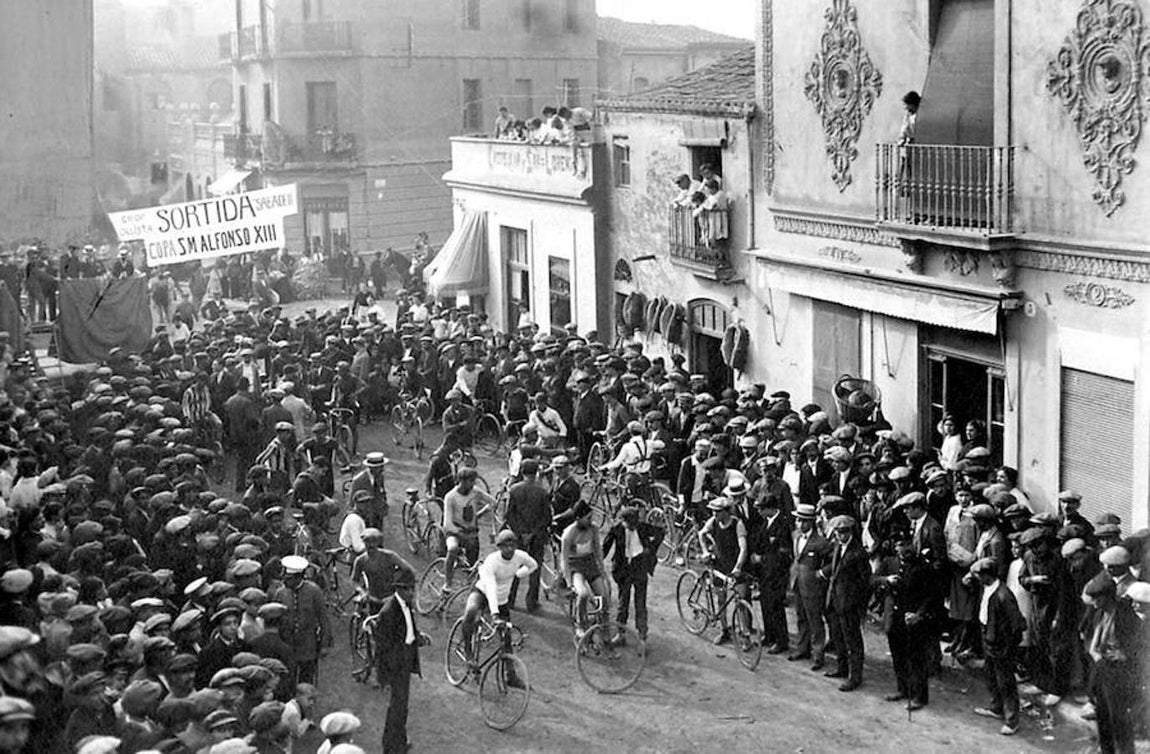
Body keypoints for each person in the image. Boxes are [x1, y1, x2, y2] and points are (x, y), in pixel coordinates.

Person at [371, 573, 429, 754]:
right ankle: (390, 747)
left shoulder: (406, 604)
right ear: (398, 589)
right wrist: (384, 677)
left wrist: (418, 637)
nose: (411, 592)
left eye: (412, 588)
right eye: (407, 589)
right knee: (396, 708)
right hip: (395, 664)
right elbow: (382, 648)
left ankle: (400, 741)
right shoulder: (388, 612)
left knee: (402, 706)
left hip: (406, 657)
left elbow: (408, 626)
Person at [971, 556, 1024, 736]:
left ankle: (1012, 721)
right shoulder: (986, 588)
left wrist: (1009, 648)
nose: (977, 578)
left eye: (979, 575)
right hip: (988, 638)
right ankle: (996, 708)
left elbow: (1017, 625)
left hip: (1001, 645)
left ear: (988, 575)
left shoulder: (1004, 595)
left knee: (1006, 682)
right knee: (991, 675)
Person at [461, 530, 537, 652]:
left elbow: (533, 565)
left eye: (512, 546)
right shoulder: (492, 561)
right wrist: (495, 614)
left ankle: (508, 661)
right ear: (500, 547)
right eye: (506, 546)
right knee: (471, 612)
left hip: (502, 599)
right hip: (482, 593)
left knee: (506, 637)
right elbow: (491, 588)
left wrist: (519, 574)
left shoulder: (520, 556)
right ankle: (468, 650)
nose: (510, 549)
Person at [824, 514, 871, 692]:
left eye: (844, 532)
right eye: (838, 532)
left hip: (850, 603)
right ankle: (842, 668)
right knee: (838, 637)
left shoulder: (858, 553)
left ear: (850, 532)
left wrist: (857, 603)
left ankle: (855, 677)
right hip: (836, 599)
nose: (840, 535)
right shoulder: (838, 546)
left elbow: (864, 580)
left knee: (853, 641)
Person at [602, 506, 663, 641]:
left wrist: (651, 549)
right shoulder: (616, 530)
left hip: (639, 566)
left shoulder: (642, 527)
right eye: (630, 524)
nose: (633, 527)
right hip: (623, 569)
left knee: (640, 603)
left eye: (635, 524)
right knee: (623, 602)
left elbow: (660, 533)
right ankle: (620, 633)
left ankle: (642, 634)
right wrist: (597, 563)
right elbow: (605, 548)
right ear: (623, 521)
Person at [270, 555, 330, 686]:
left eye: (289, 578)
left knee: (306, 680)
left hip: (308, 646)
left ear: (298, 577)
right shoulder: (280, 593)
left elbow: (323, 619)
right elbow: (275, 620)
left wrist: (324, 645)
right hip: (287, 646)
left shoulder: (314, 591)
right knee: (287, 680)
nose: (285, 581)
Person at [697, 497, 747, 645]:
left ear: (726, 512)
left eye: (718, 511)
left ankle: (745, 635)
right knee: (721, 599)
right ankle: (724, 630)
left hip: (735, 566)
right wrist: (705, 551)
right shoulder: (713, 522)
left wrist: (738, 567)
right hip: (720, 565)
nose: (714, 514)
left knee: (741, 601)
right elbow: (701, 534)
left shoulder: (738, 524)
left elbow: (743, 548)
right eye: (713, 511)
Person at [504, 459, 550, 611]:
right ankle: (532, 602)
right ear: (536, 473)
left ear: (522, 472)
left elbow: (509, 515)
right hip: (537, 537)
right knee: (534, 568)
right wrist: (532, 533)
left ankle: (510, 599)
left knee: (514, 567)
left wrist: (520, 532)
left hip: (518, 536)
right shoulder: (542, 492)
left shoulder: (514, 490)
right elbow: (546, 518)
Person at [561, 501, 611, 639]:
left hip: (590, 563)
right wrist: (569, 583)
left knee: (603, 596)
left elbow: (598, 551)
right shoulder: (568, 534)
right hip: (575, 566)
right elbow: (564, 560)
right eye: (588, 518)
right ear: (578, 518)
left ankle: (604, 627)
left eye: (591, 517)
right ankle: (580, 624)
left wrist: (603, 572)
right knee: (582, 594)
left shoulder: (593, 529)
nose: (590, 521)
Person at [441, 468, 494, 590]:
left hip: (471, 532)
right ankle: (448, 582)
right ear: (462, 481)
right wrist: (460, 534)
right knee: (452, 548)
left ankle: (470, 585)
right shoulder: (450, 497)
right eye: (471, 481)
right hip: (454, 532)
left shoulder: (475, 492)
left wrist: (480, 513)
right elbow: (447, 523)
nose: (473, 484)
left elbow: (492, 502)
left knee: (474, 564)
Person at [350, 529, 417, 609]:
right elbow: (354, 580)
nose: (371, 545)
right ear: (364, 543)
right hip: (373, 598)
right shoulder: (360, 561)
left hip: (391, 598)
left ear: (378, 542)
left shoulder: (390, 556)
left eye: (374, 541)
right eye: (367, 542)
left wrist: (402, 588)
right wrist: (362, 591)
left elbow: (409, 570)